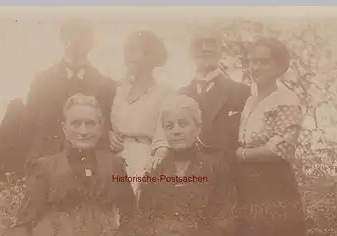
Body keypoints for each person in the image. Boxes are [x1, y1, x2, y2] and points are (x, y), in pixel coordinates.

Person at [0, 94, 136, 236]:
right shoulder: (44, 167)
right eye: (76, 123)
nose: (83, 130)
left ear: (101, 127)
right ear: (64, 128)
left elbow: (131, 214)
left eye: (90, 123)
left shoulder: (114, 165)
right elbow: (22, 221)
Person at [126, 94, 238, 236]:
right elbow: (139, 219)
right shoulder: (155, 170)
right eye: (169, 126)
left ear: (198, 127)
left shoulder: (216, 167)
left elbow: (226, 219)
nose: (176, 130)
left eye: (183, 124)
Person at [233, 37, 318, 236]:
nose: (256, 66)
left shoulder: (286, 100)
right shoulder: (250, 99)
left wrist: (241, 155)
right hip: (247, 183)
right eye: (253, 61)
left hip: (272, 182)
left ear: (280, 66)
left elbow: (282, 147)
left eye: (263, 61)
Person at [25, 18, 116, 160]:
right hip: (47, 163)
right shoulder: (42, 81)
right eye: (72, 35)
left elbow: (107, 129)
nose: (76, 42)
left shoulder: (105, 85)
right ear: (62, 39)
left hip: (90, 165)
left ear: (91, 43)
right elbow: (28, 127)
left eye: (82, 36)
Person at [109, 30, 174, 194]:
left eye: (133, 50)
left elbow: (164, 140)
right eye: (126, 51)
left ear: (150, 56)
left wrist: (153, 168)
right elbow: (104, 124)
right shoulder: (118, 91)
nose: (127, 56)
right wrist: (108, 134)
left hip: (146, 162)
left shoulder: (165, 94)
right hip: (115, 161)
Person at [179, 25, 250, 158]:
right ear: (190, 52)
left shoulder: (242, 92)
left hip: (228, 173)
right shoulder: (179, 96)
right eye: (199, 44)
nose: (205, 48)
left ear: (221, 51)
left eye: (211, 43)